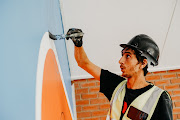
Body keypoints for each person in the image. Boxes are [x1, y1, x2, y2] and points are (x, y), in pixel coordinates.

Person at [66, 28, 173, 120]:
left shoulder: (160, 98)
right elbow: (84, 63)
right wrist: (78, 43)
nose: (120, 61)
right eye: (122, 55)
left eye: (127, 56)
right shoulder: (117, 86)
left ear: (143, 63)